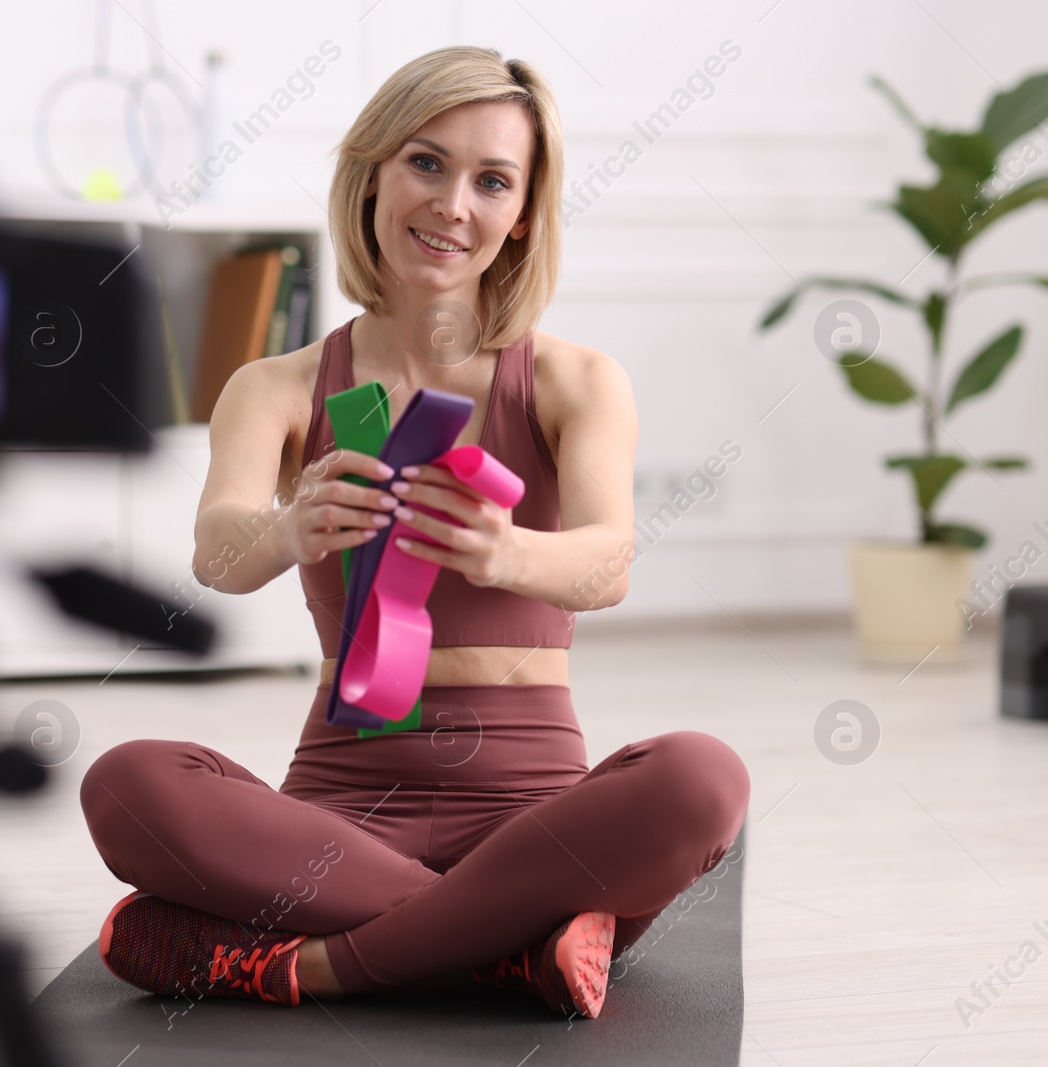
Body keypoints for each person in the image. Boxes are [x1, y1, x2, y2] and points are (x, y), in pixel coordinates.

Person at [80, 45, 750, 1021]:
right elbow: (215, 554)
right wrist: (290, 524)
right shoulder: (273, 386)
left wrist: (503, 549)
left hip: (533, 814)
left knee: (702, 777)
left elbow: (608, 563)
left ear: (523, 212)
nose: (451, 205)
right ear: (373, 172)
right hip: (337, 808)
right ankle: (508, 944)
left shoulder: (577, 380)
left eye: (492, 181)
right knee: (126, 780)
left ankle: (318, 964)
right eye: (426, 163)